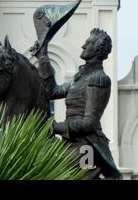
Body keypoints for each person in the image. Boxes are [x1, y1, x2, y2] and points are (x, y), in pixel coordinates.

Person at [33, 28, 122, 179]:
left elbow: (89, 123)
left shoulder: (98, 79)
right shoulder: (78, 79)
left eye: (88, 43)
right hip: (70, 141)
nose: (83, 46)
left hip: (86, 144)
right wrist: (43, 58)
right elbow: (52, 92)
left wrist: (55, 127)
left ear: (98, 49)